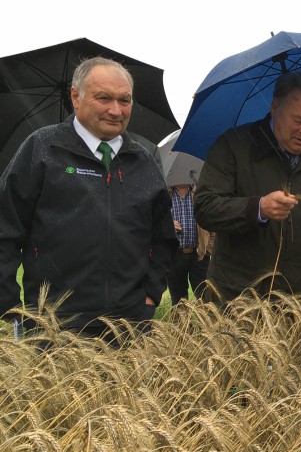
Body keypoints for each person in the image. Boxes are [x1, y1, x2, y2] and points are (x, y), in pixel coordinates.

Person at [0, 57, 177, 343]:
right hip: (55, 327)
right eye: (104, 98)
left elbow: (164, 238)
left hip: (129, 327)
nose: (116, 110)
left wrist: (150, 296)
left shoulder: (143, 159)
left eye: (125, 100)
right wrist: (9, 305)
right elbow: (6, 228)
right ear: (75, 96)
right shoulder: (42, 149)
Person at [194, 72, 301, 303]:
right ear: (275, 107)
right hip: (238, 297)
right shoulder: (233, 146)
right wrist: (258, 208)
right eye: (298, 120)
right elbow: (205, 208)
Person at [167, 184, 214, 305]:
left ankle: (205, 324)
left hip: (199, 256)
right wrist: (167, 224)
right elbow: (154, 220)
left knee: (205, 299)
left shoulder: (200, 193)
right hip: (174, 256)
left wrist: (207, 249)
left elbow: (212, 222)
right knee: (178, 301)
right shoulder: (165, 195)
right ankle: (182, 324)